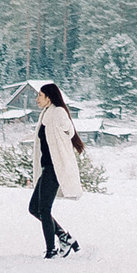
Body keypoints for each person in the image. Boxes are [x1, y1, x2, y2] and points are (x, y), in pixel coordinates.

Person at [30, 81, 85, 258]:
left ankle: (51, 251)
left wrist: (65, 129)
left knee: (44, 209)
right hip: (47, 166)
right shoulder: (46, 113)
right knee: (34, 208)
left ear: (49, 97)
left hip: (55, 167)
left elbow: (68, 131)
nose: (37, 98)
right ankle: (64, 237)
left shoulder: (58, 112)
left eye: (40, 95)